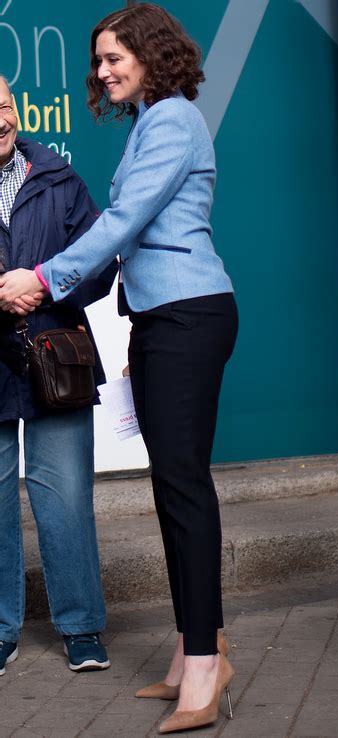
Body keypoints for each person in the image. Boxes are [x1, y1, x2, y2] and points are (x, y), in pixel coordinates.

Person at [0, 5, 239, 732]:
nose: (102, 72)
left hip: (188, 314)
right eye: (98, 60)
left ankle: (205, 662)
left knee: (183, 490)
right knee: (174, 490)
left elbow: (123, 223)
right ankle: (194, 650)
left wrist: (40, 279)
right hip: (165, 318)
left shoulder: (168, 122)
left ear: (150, 52)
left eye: (114, 57)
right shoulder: (152, 120)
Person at [0, 75, 118, 676]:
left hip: (56, 360)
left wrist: (41, 282)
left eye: (4, 104)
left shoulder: (59, 179)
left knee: (67, 499)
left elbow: (99, 264)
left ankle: (81, 626)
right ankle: (0, 630)